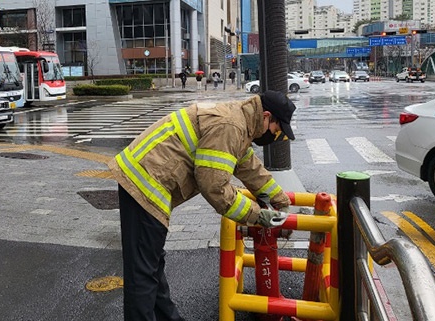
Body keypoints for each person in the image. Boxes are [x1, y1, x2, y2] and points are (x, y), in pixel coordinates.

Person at [108, 90, 296, 321]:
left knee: (151, 265)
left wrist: (280, 200)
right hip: (145, 183)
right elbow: (214, 187)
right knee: (143, 273)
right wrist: (257, 215)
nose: (275, 136)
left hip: (148, 179)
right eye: (276, 130)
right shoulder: (232, 126)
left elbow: (249, 167)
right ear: (266, 116)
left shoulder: (239, 123)